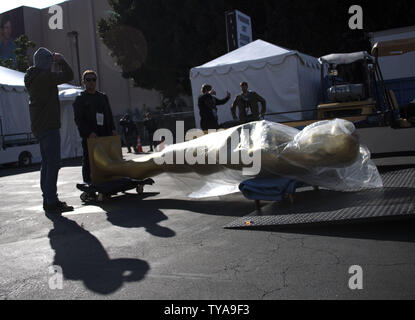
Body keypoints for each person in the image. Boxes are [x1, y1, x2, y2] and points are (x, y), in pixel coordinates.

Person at [24, 47, 74, 214]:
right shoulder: (44, 77)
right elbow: (69, 76)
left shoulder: (32, 77)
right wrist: (61, 60)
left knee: (46, 164)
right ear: (46, 62)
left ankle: (47, 198)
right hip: (49, 126)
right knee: (53, 164)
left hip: (39, 127)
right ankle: (51, 200)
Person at [73, 70, 117, 185]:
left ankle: (107, 182)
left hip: (105, 134)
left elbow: (109, 114)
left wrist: (112, 129)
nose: (91, 82)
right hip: (90, 136)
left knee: (107, 159)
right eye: (88, 80)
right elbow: (79, 120)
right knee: (89, 160)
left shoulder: (102, 97)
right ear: (83, 82)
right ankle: (88, 184)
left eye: (93, 80)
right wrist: (88, 133)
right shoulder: (80, 99)